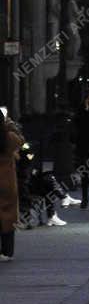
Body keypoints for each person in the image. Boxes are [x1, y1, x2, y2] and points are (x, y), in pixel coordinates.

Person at [0, 107, 25, 260]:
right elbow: (20, 140)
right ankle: (7, 251)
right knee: (8, 215)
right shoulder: (8, 136)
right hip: (6, 179)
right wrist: (8, 124)